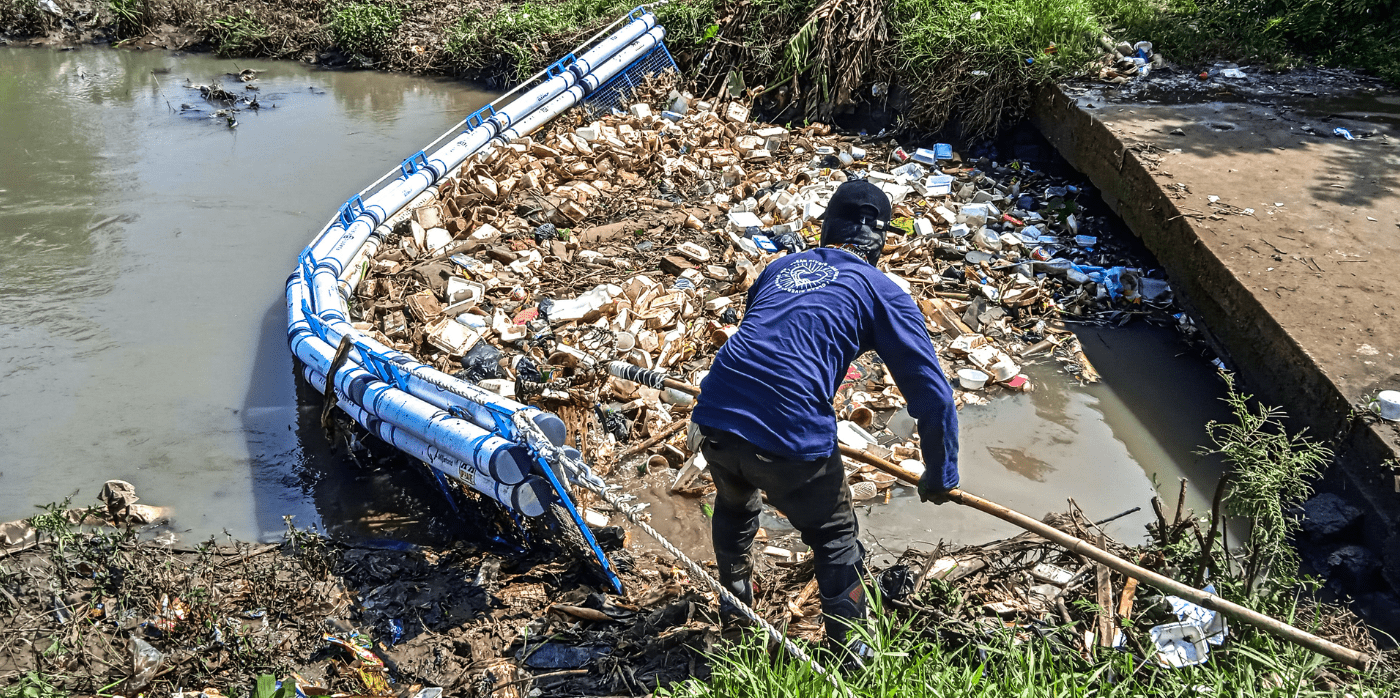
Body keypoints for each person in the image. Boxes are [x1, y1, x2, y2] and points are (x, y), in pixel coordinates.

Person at [691, 178, 960, 663]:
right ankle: (850, 658)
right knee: (835, 536)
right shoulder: (883, 292)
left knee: (734, 504)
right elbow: (934, 395)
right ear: (880, 242)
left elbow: (774, 335)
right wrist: (941, 475)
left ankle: (737, 616)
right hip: (787, 431)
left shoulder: (780, 267)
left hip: (715, 413)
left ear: (824, 229)